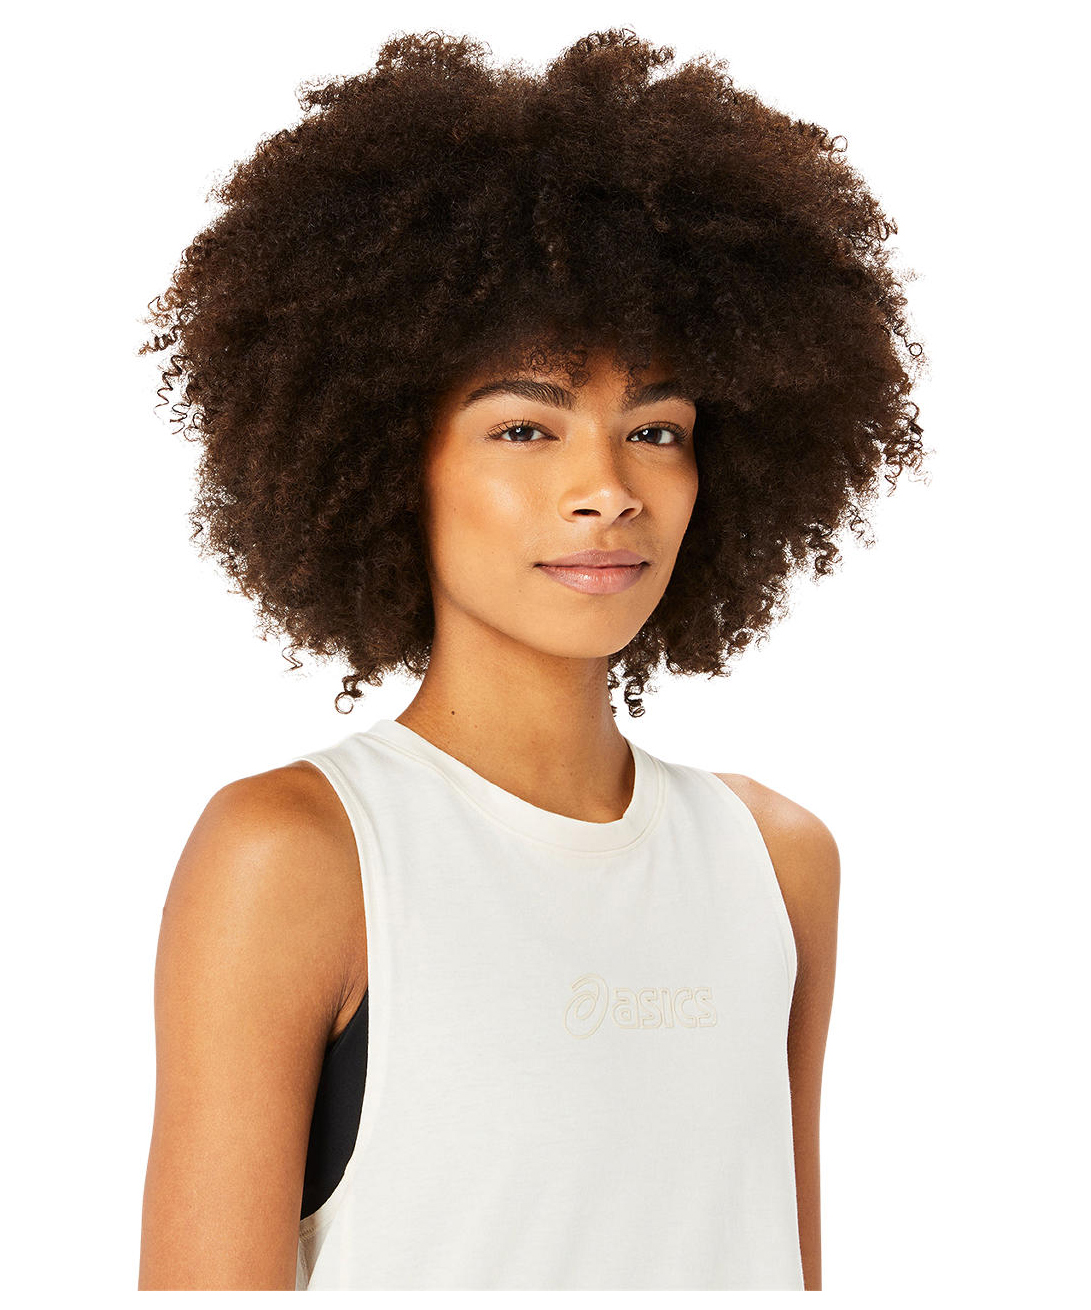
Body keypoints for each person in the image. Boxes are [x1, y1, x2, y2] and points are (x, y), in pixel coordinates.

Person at [136, 28, 926, 1291]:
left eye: (655, 429)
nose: (605, 489)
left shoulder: (779, 863)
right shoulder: (297, 857)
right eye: (523, 427)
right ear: (392, 458)